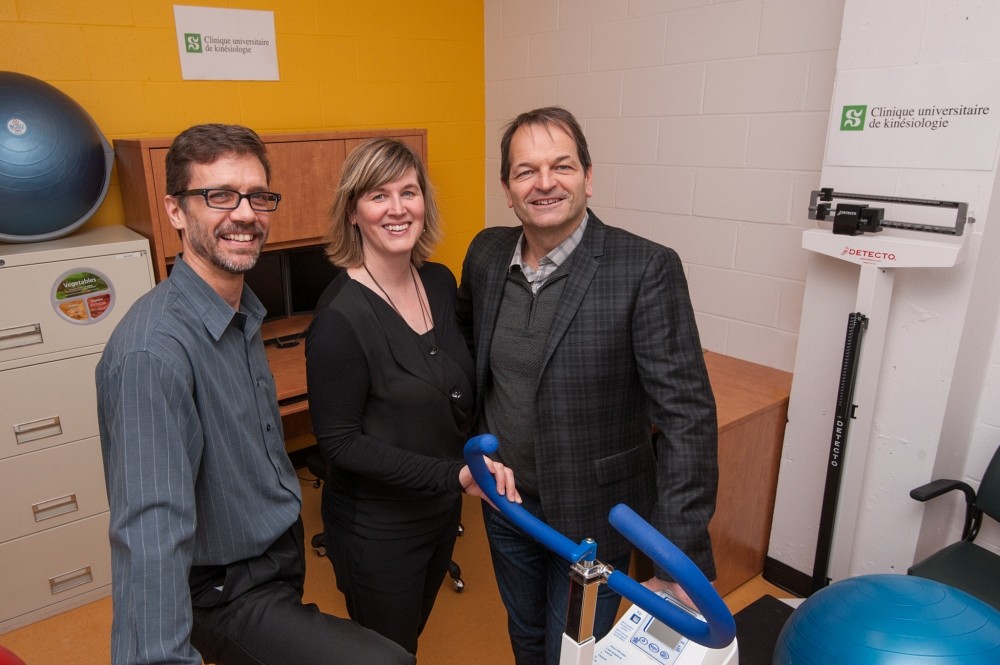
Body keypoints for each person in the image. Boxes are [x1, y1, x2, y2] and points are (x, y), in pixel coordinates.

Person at [96, 124, 414, 665]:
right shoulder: (153, 353)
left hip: (273, 559)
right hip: (223, 591)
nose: (244, 213)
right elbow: (149, 536)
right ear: (175, 210)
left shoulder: (241, 315)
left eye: (257, 196)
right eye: (218, 195)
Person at [457, 107, 719, 665]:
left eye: (562, 166)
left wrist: (677, 560)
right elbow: (467, 364)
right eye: (525, 171)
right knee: (525, 634)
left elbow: (686, 416)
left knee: (574, 650)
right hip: (508, 504)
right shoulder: (484, 254)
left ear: (589, 178)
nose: (544, 182)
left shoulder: (644, 267)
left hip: (595, 516)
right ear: (507, 189)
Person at [304, 137, 520, 655]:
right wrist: (453, 475)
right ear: (353, 212)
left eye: (409, 192)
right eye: (378, 196)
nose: (398, 209)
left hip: (441, 514)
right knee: (388, 653)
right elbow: (340, 444)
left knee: (409, 640)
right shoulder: (339, 319)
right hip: (377, 531)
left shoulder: (440, 283)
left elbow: (458, 388)